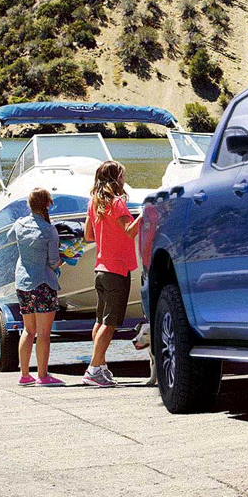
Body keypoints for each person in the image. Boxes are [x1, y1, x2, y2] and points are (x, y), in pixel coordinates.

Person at [83, 160, 139, 387]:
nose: (124, 179)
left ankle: (101, 366)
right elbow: (130, 231)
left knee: (100, 321)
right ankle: (93, 369)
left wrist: (107, 235)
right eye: (122, 175)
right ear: (116, 179)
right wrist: (146, 213)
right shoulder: (117, 203)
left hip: (101, 269)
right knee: (110, 323)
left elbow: (88, 235)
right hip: (117, 270)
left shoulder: (93, 203)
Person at [11, 188, 64, 387]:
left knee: (28, 330)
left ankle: (25, 375)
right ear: (48, 204)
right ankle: (42, 376)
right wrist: (66, 258)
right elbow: (53, 262)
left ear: (29, 204)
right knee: (43, 333)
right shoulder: (50, 230)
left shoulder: (19, 224)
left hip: (23, 283)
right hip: (43, 284)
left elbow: (10, 237)